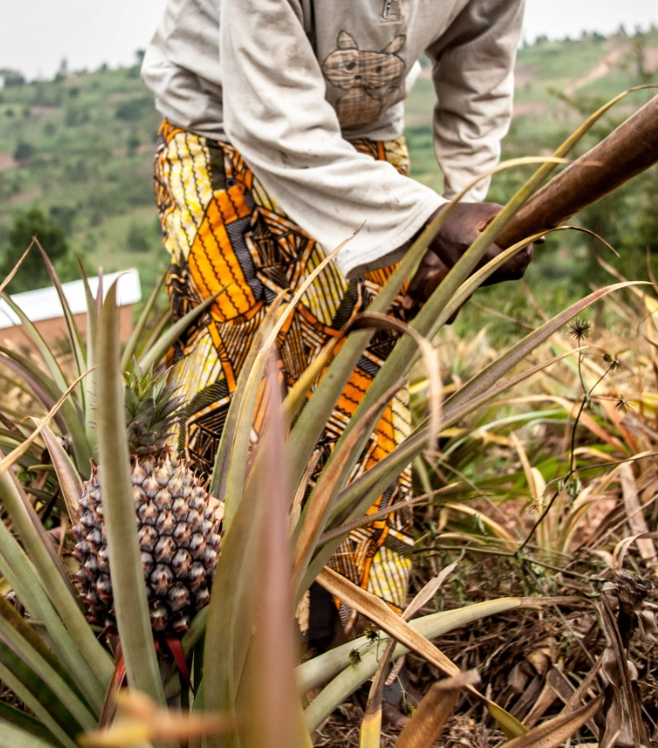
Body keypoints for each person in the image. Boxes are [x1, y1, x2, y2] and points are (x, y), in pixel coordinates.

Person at [142, 0, 529, 640]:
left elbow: (480, 58)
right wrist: (429, 223)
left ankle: (352, 635)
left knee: (371, 378)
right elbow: (273, 125)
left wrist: (468, 204)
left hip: (364, 140)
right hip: (220, 130)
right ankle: (201, 636)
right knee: (234, 382)